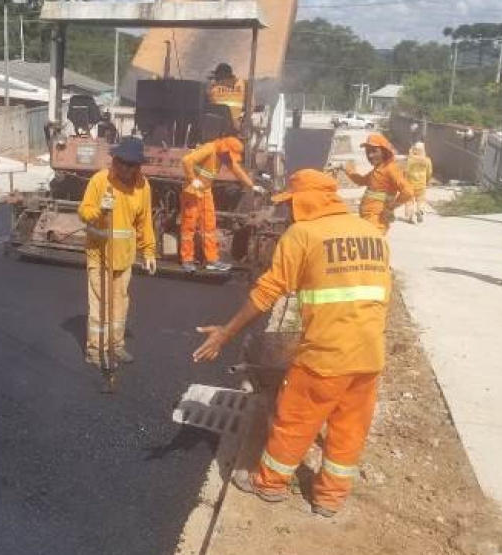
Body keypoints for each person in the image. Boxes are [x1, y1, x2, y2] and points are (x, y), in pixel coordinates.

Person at [193, 169, 391, 518]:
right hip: (371, 353)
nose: (289, 212)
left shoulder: (304, 235)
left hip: (326, 356)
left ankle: (270, 484)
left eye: (292, 204)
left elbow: (268, 292)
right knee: (348, 428)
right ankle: (330, 497)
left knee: (294, 419)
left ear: (307, 200)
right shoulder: (371, 232)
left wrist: (225, 332)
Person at [78, 137, 157, 366]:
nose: (124, 168)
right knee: (100, 304)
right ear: (115, 160)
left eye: (130, 165)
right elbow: (83, 211)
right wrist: (100, 211)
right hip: (100, 253)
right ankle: (95, 350)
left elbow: (145, 222)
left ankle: (116, 345)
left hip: (124, 256)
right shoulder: (100, 180)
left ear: (138, 166)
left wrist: (149, 252)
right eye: (120, 162)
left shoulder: (143, 186)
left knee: (120, 303)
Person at [180, 134, 263, 272]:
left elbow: (237, 170)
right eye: (229, 155)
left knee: (209, 226)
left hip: (205, 191)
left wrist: (251, 185)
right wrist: (192, 179)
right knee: (189, 226)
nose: (229, 160)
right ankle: (187, 260)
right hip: (192, 191)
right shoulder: (209, 149)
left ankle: (211, 260)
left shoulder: (224, 155)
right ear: (224, 149)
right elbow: (186, 160)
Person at [342, 133, 414, 233]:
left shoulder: (390, 168)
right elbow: (362, 181)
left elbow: (408, 192)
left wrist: (390, 207)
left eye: (374, 151)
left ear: (384, 151)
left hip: (376, 222)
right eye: (367, 152)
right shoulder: (379, 169)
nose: (370, 155)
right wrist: (348, 170)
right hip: (368, 219)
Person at [208, 63, 246, 131]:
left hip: (219, 125)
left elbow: (210, 105)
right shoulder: (243, 83)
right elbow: (251, 105)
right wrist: (242, 121)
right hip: (236, 126)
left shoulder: (213, 87)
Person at [403, 142, 433, 224]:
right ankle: (420, 210)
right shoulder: (427, 160)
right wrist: (427, 181)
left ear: (415, 150)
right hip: (421, 184)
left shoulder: (411, 160)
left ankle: (410, 217)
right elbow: (429, 172)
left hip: (410, 183)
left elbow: (406, 171)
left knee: (409, 200)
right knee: (420, 200)